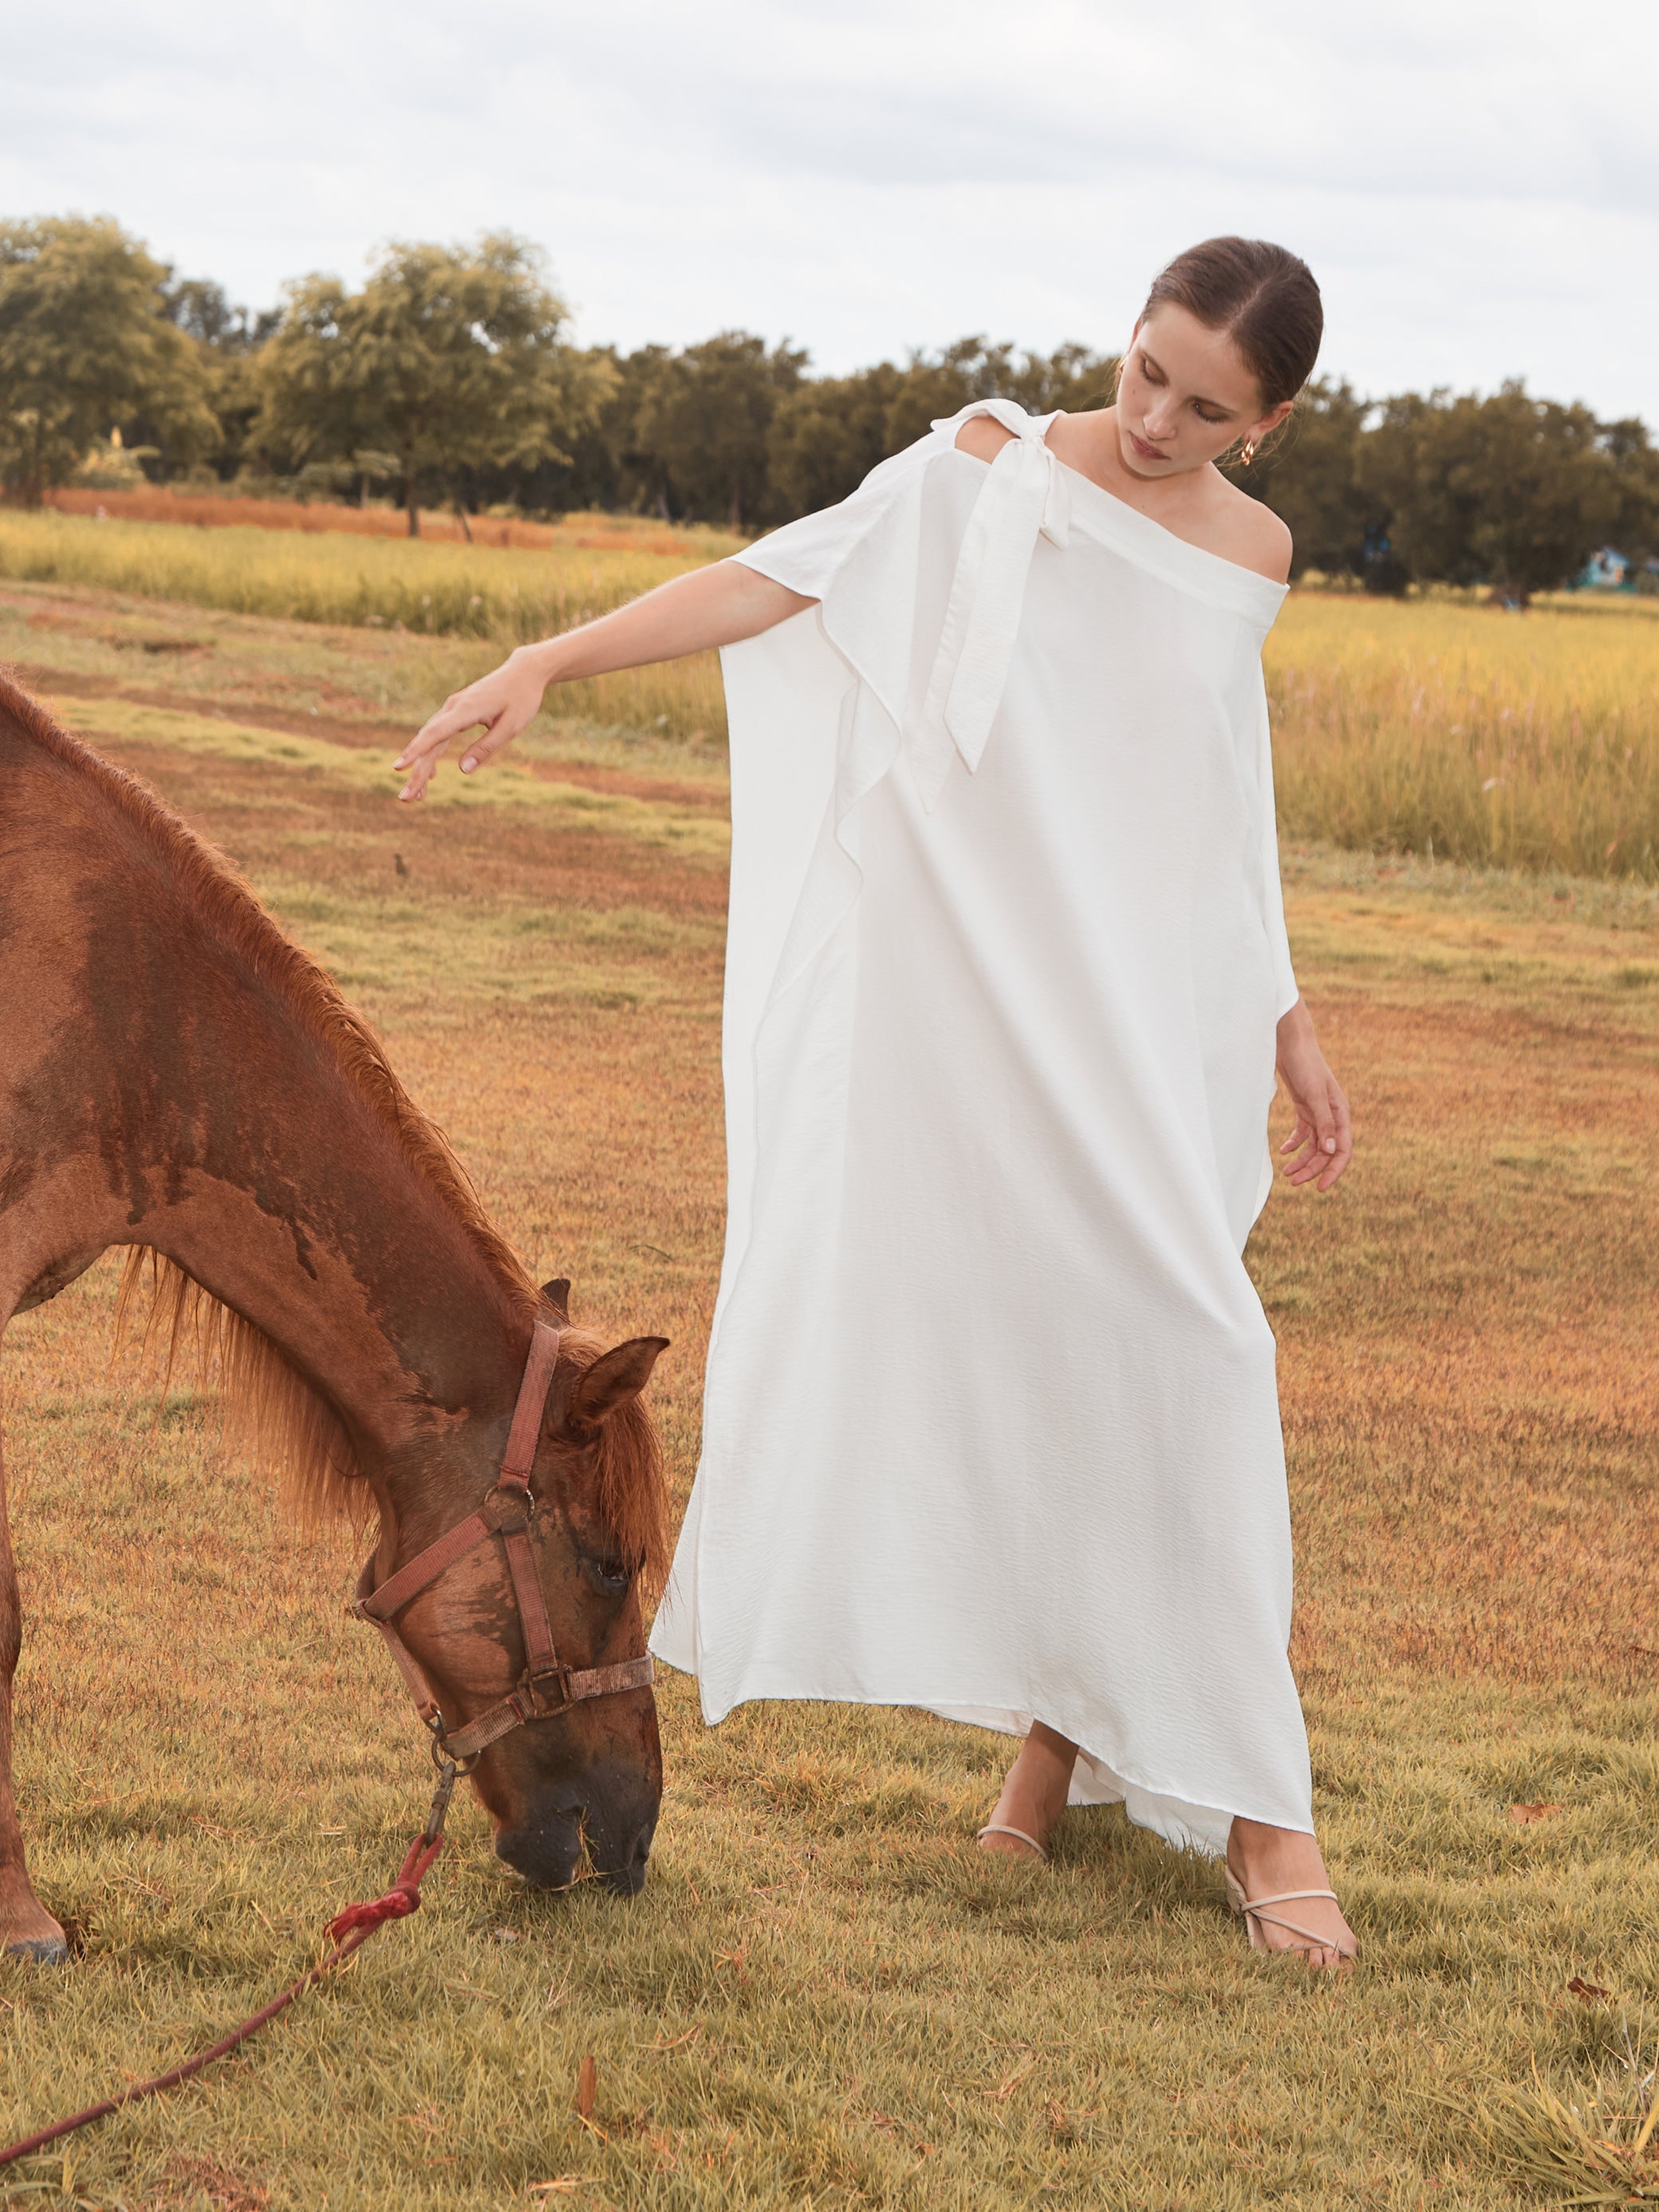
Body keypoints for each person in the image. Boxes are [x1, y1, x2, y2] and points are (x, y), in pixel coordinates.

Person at [394, 237, 1358, 1970]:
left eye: (1203, 409)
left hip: (1150, 1022)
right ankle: (1161, 1779)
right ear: (1124, 333)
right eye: (1143, 370)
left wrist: (1281, 1014)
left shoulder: (1252, 553)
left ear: (1269, 421)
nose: (1151, 419)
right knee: (1079, 1345)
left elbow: (1221, 801)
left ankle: (1154, 1777)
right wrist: (553, 655)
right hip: (985, 1000)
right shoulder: (979, 468)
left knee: (1187, 1350)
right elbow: (778, 583)